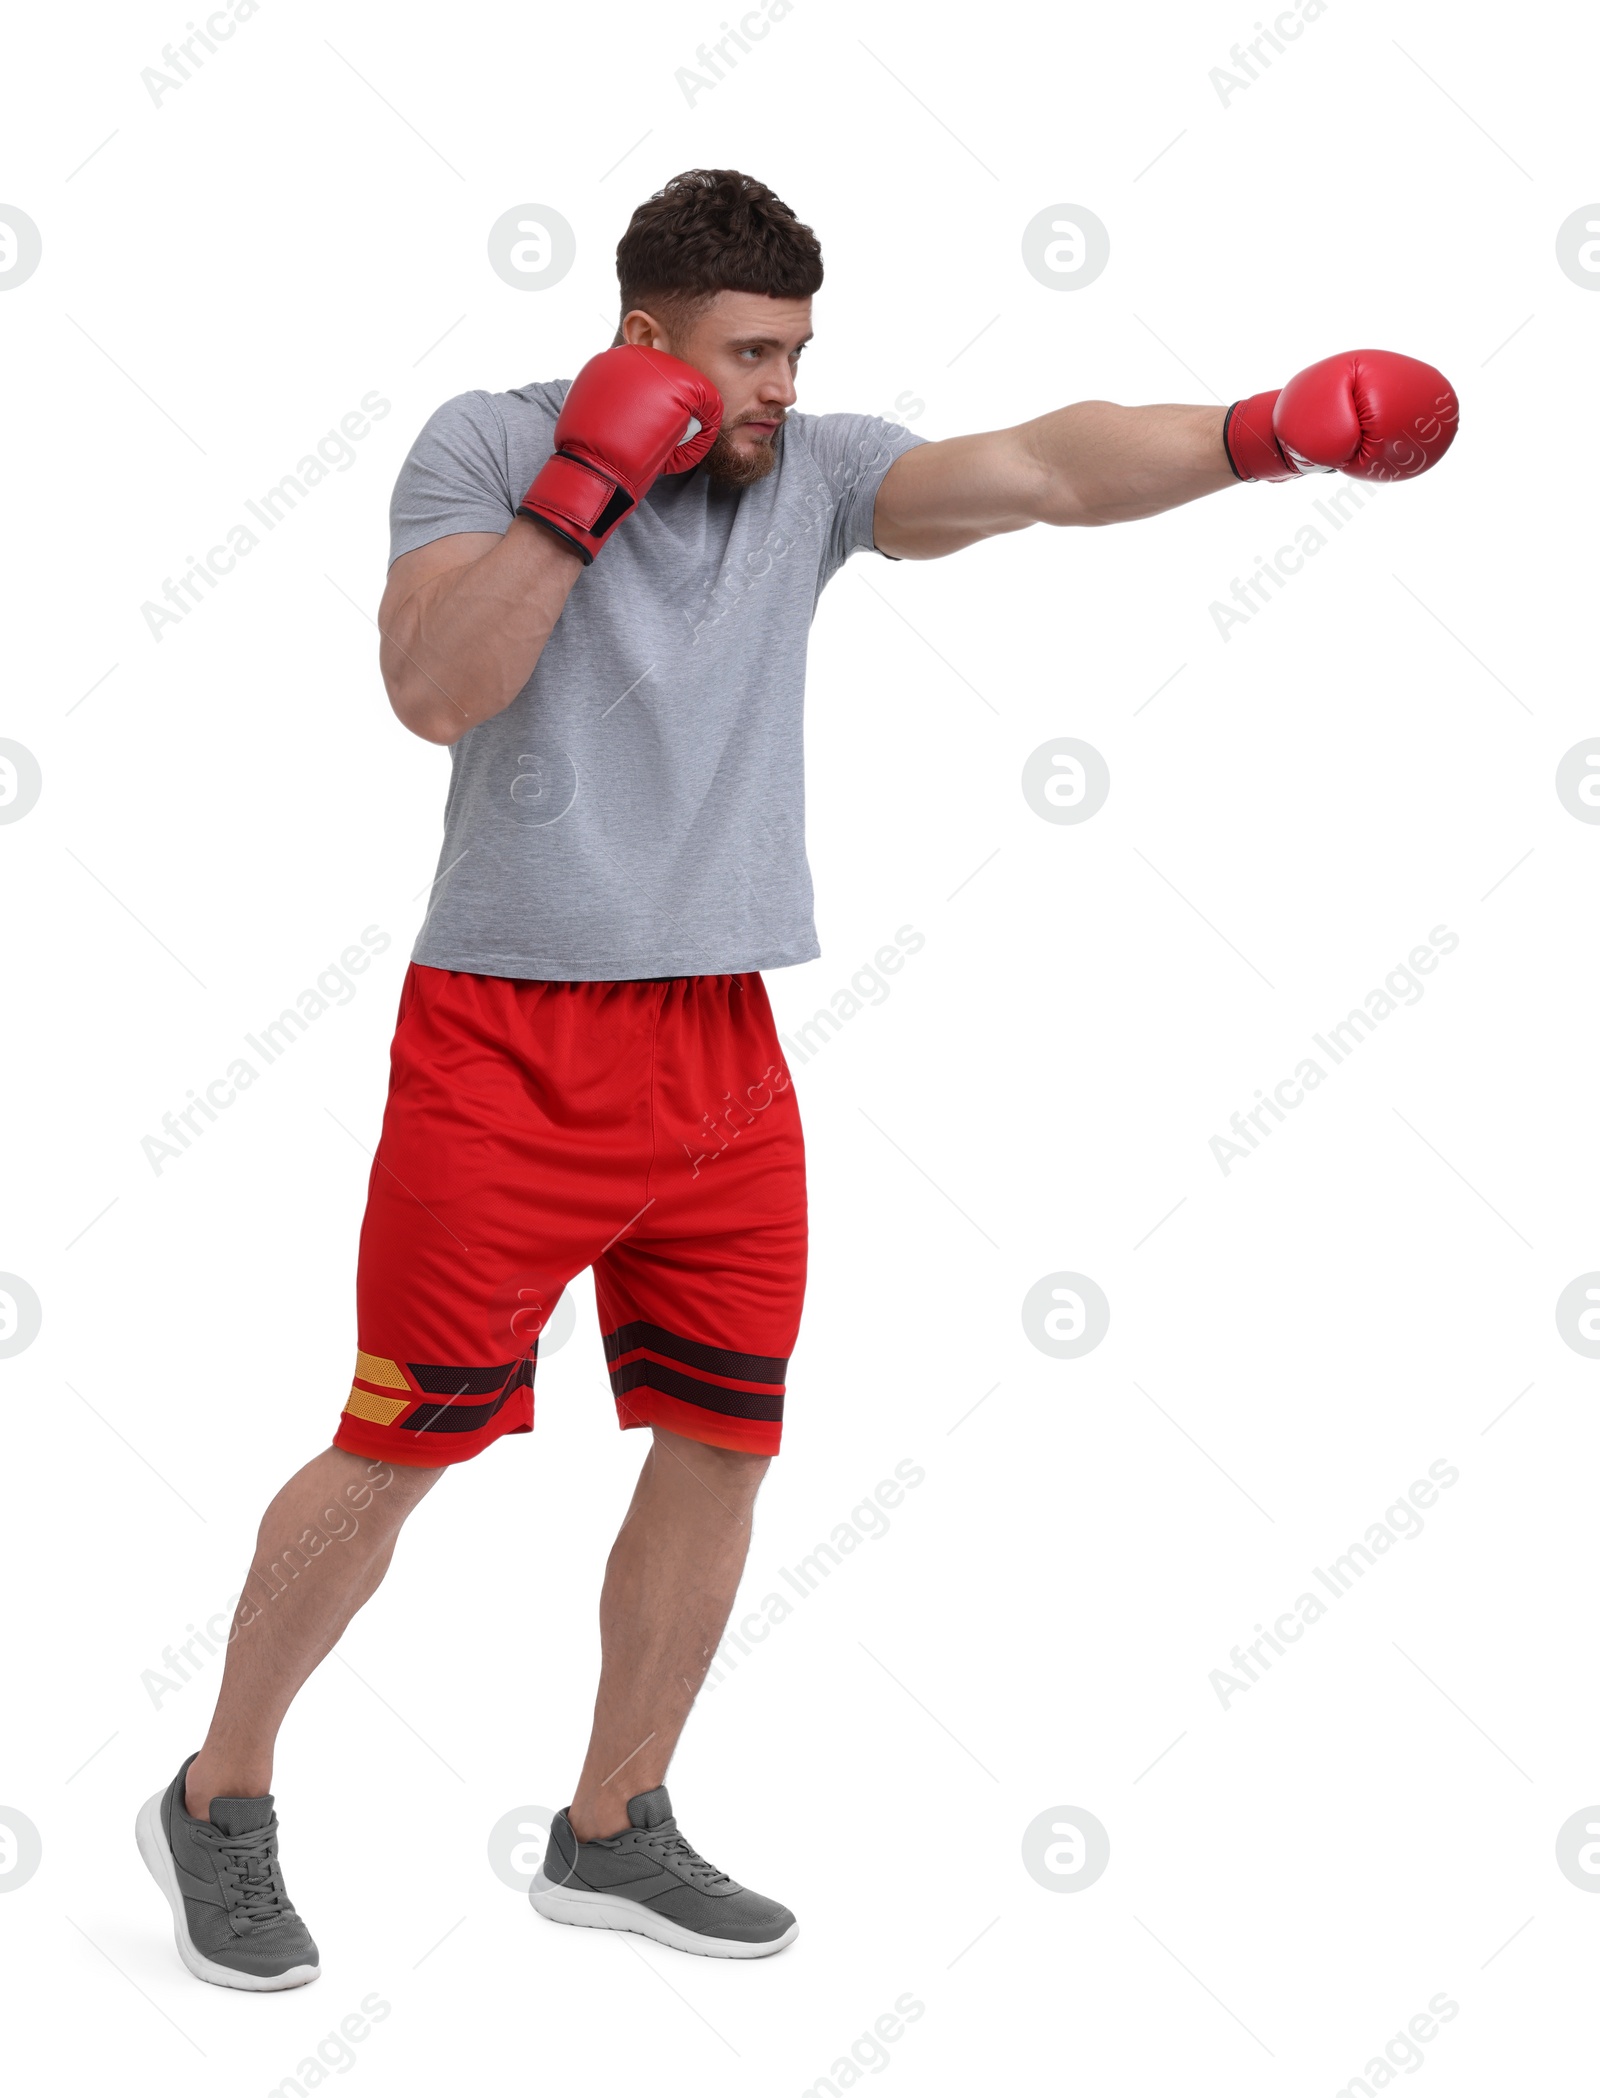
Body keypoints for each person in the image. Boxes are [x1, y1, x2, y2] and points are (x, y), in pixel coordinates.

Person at [135, 167, 1459, 1989]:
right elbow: (435, 687)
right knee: (395, 1454)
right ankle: (220, 1795)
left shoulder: (815, 474)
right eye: (749, 354)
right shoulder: (489, 440)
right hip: (506, 1040)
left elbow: (1047, 468)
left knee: (722, 1442)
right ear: (640, 338)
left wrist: (1259, 436)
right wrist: (585, 486)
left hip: (721, 1055)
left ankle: (611, 1824)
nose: (778, 386)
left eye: (799, 352)